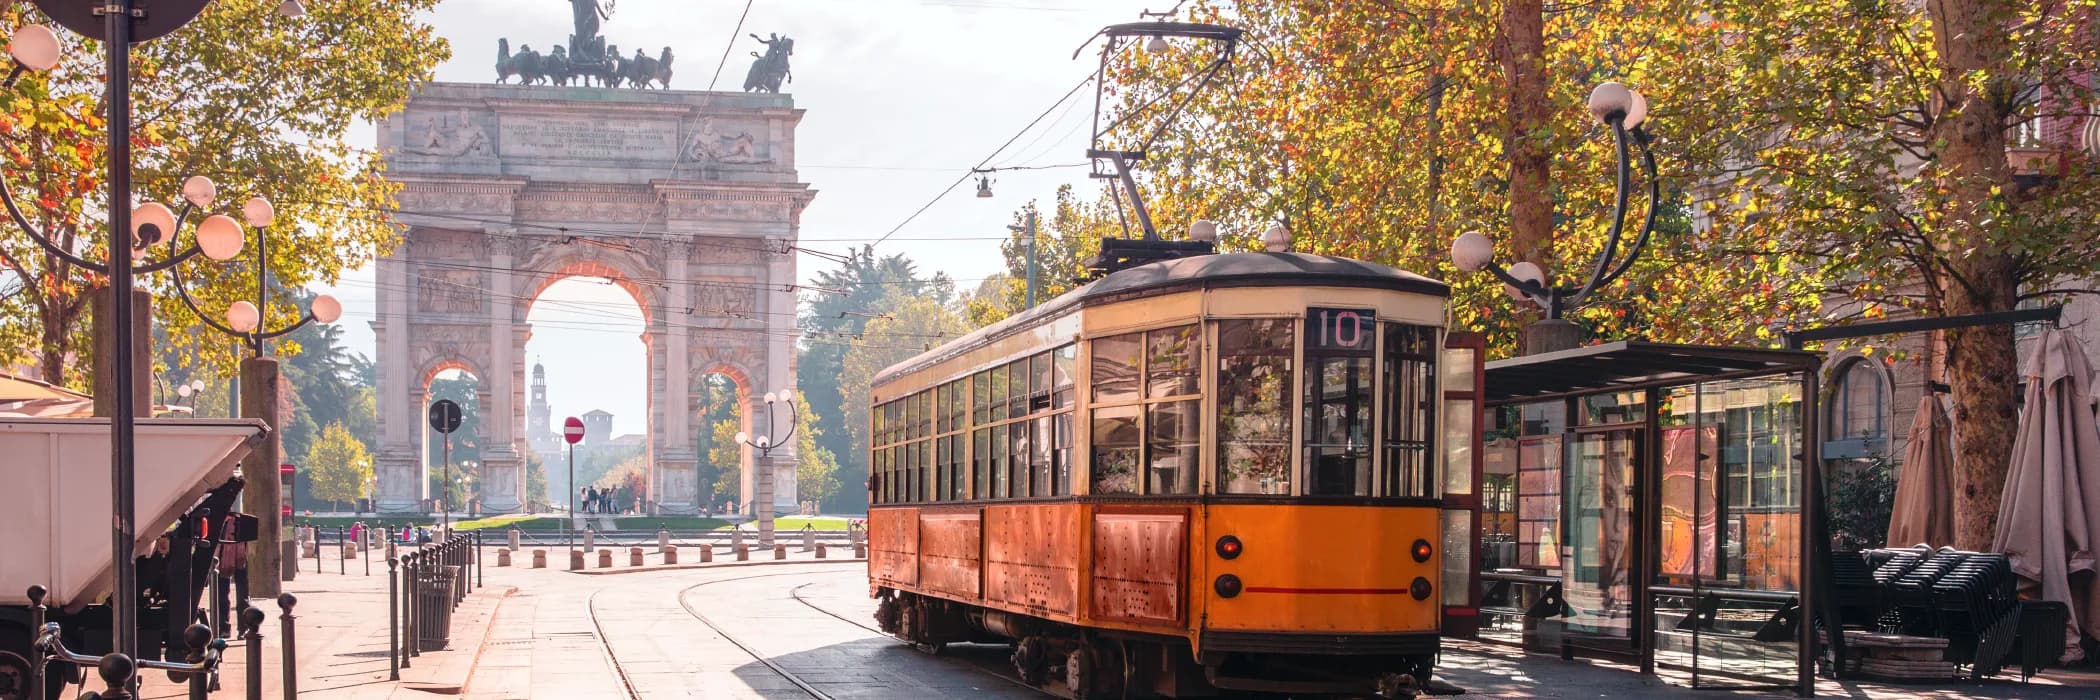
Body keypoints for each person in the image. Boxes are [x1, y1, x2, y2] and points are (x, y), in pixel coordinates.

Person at [215, 527, 248, 637]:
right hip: (223, 559)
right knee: (222, 595)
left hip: (238, 558)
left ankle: (241, 628)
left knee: (241, 596)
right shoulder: (223, 522)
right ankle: (225, 628)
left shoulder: (229, 521)